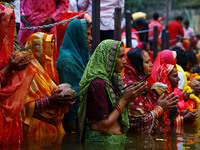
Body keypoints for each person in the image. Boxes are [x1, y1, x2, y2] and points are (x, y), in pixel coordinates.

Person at [78, 40, 147, 144]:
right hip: (102, 143)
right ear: (108, 58)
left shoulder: (112, 80)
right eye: (120, 57)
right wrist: (124, 100)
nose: (124, 61)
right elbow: (103, 127)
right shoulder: (98, 84)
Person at [22, 32, 74, 146]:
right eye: (47, 48)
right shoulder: (27, 73)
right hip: (36, 132)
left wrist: (64, 101)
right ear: (37, 49)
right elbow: (21, 106)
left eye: (51, 48)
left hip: (53, 130)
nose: (50, 52)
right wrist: (49, 100)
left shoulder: (48, 72)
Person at [123, 48, 178, 134]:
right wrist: (160, 108)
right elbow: (138, 125)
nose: (151, 65)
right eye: (147, 62)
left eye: (150, 61)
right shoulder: (133, 87)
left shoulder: (143, 83)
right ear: (137, 65)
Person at [0, 4, 33, 145]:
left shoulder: (4, 47)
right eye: (5, 23)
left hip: (8, 116)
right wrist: (9, 67)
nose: (8, 29)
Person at [57, 19, 92, 133]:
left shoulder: (81, 57)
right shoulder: (66, 61)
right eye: (88, 35)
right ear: (78, 35)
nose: (91, 39)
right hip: (72, 115)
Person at [153, 63, 197, 132]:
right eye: (175, 76)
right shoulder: (160, 97)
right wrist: (184, 119)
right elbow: (162, 127)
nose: (179, 79)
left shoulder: (171, 94)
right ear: (165, 78)